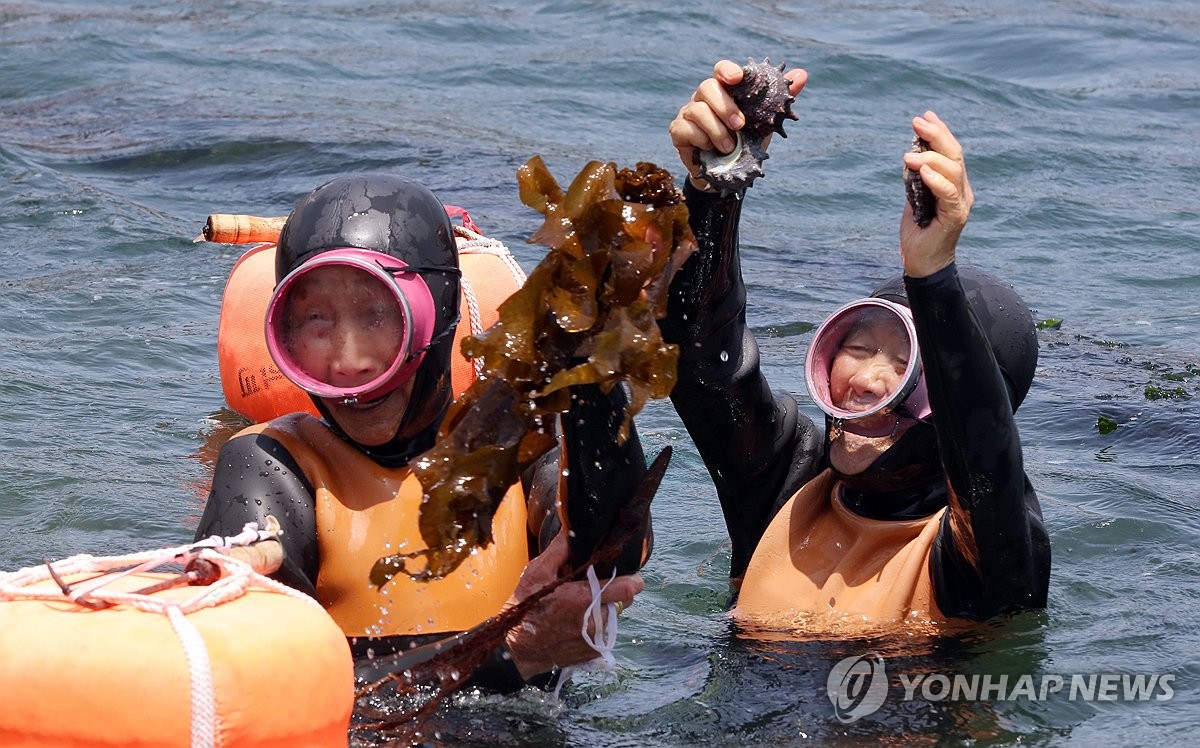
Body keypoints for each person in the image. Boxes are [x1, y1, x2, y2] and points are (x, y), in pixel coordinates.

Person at [195, 173, 649, 688]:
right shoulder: (271, 465)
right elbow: (255, 680)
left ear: (442, 314)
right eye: (316, 321)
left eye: (378, 316)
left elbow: (610, 551)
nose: (350, 360)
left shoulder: (515, 448)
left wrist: (594, 379)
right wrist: (511, 652)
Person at [661, 60, 1050, 632]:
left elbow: (985, 453)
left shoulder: (985, 557)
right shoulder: (786, 486)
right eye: (859, 345)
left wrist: (933, 274)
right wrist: (714, 184)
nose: (867, 380)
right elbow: (701, 359)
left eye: (906, 366)